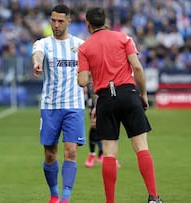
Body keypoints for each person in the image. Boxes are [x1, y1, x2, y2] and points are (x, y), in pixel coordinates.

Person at [77, 7, 162, 203]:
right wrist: (142, 95)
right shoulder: (124, 38)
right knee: (141, 147)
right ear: (105, 21)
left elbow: (82, 81)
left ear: (88, 24)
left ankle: (110, 202)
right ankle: (153, 197)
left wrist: (85, 73)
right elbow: (138, 68)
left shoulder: (84, 48)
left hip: (106, 99)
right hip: (129, 94)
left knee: (109, 153)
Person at [32, 4, 85, 203]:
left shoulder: (80, 45)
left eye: (60, 21)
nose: (56, 24)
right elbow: (37, 55)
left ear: (69, 21)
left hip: (74, 105)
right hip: (50, 106)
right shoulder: (43, 43)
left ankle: (65, 198)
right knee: (50, 154)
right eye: (53, 20)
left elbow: (89, 74)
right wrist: (37, 63)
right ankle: (54, 193)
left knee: (70, 151)